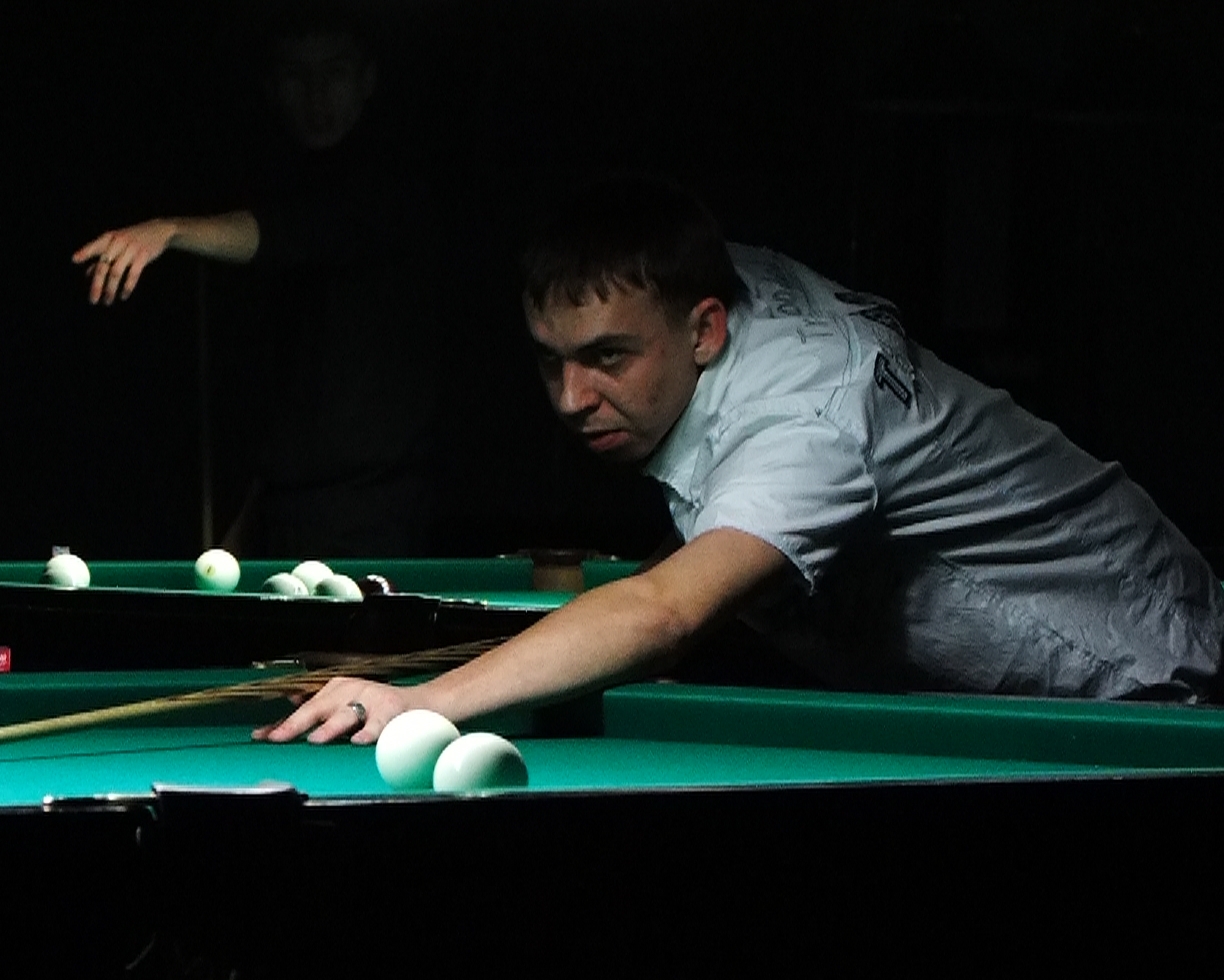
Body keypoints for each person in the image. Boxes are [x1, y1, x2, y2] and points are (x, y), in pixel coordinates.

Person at [263, 177, 1224, 745]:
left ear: (707, 330)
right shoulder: (698, 284)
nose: (570, 399)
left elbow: (665, 610)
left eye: (606, 358)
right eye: (550, 361)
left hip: (1155, 692)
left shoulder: (803, 416)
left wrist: (424, 702)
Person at [72, 15, 447, 555]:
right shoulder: (271, 174)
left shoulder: (400, 180)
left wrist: (170, 230)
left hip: (382, 508)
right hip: (288, 508)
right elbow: (286, 404)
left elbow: (292, 231)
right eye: (296, 75)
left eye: (335, 72)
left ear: (367, 79)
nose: (316, 95)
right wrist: (245, 525)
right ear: (271, 87)